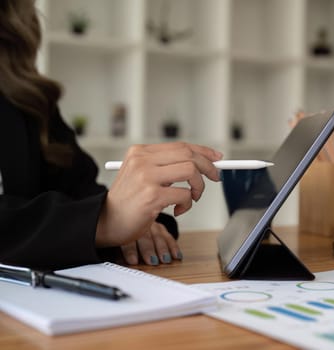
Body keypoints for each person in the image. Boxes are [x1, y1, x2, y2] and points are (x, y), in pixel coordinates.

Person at [0, 0, 223, 269]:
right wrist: (102, 222)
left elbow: (81, 193)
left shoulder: (28, 101)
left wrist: (133, 220)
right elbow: (94, 216)